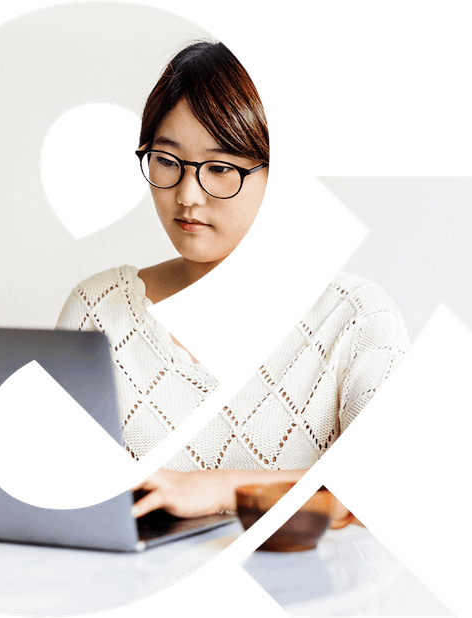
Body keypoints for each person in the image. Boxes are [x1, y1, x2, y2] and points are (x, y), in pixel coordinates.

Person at [56, 41, 409, 526]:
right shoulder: (98, 308)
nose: (187, 195)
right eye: (167, 161)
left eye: (220, 168)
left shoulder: (356, 315)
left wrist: (219, 488)